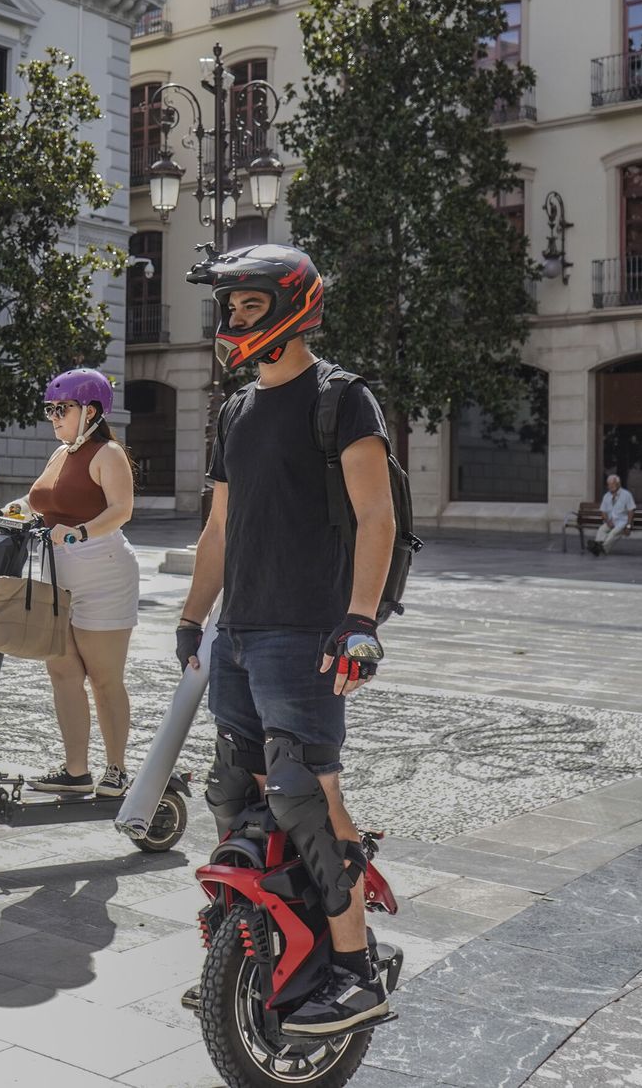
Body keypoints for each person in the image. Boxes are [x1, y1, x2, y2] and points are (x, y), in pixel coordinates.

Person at [177, 243, 396, 1036]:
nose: (232, 320)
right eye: (229, 308)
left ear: (291, 305)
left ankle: (354, 966)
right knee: (234, 793)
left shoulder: (340, 399)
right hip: (238, 632)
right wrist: (193, 616)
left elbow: (378, 514)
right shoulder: (235, 410)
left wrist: (361, 621)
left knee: (307, 793)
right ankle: (255, 947)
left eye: (247, 305)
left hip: (306, 630)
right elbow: (220, 528)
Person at [0, 368, 140, 797]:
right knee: (62, 671)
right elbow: (36, 504)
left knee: (105, 678)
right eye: (49, 409)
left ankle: (117, 770)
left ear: (89, 411)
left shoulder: (108, 454)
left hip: (103, 573)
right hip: (56, 575)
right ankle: (76, 771)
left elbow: (121, 510)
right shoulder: (60, 454)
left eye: (61, 408)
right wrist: (2, 513)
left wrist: (80, 531)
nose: (53, 416)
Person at [589, 474, 636, 556]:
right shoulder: (606, 496)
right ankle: (598, 546)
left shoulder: (626, 495)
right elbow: (603, 511)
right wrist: (607, 521)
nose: (610, 486)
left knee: (613, 533)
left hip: (623, 522)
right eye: (609, 484)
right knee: (601, 529)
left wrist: (628, 526)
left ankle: (601, 547)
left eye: (612, 484)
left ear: (618, 484)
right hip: (611, 521)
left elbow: (631, 510)